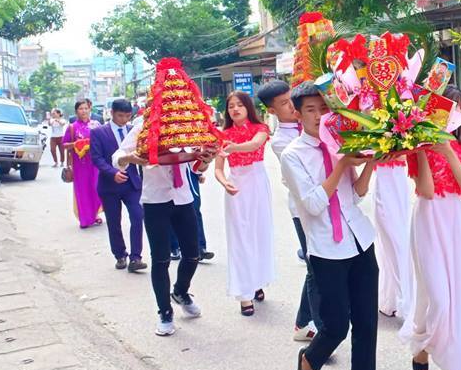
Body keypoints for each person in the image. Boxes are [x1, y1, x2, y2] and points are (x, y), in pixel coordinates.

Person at [281, 81, 395, 370]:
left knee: (366, 324)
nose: (318, 116)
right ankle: (309, 360)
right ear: (298, 115)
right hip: (327, 251)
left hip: (360, 241)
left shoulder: (341, 145)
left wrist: (371, 161)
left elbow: (357, 194)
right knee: (334, 328)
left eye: (323, 109)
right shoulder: (293, 155)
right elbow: (314, 206)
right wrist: (341, 165)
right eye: (311, 110)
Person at [400, 85, 461, 370]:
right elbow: (428, 191)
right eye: (445, 107)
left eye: (457, 108)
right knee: (437, 298)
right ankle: (422, 345)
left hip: (453, 222)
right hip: (428, 219)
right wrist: (421, 148)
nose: (450, 114)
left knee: (456, 296)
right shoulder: (416, 149)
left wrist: (448, 151)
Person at [113, 123, 214, 337]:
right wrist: (131, 159)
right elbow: (119, 155)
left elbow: (197, 166)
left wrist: (206, 159)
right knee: (160, 259)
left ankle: (180, 291)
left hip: (183, 198)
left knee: (193, 254)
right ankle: (165, 313)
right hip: (155, 200)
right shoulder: (144, 124)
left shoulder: (184, 120)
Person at [258, 79, 321, 341]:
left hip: (326, 202)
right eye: (284, 104)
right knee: (315, 266)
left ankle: (305, 322)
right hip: (303, 208)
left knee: (316, 266)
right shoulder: (282, 141)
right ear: (271, 111)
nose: (291, 107)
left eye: (290, 99)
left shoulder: (310, 122)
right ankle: (311, 324)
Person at [215, 91, 275, 317]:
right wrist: (224, 183)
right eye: (231, 106)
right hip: (236, 185)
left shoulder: (260, 129)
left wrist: (232, 147)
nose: (235, 109)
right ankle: (244, 295)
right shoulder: (223, 135)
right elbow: (219, 168)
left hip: (258, 184)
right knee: (239, 237)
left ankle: (256, 279)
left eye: (240, 105)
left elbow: (253, 145)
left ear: (248, 107)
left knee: (259, 234)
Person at [88, 98, 147, 272]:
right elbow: (97, 158)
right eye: (120, 116)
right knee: (114, 222)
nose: (124, 120)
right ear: (112, 113)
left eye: (128, 116)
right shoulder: (99, 132)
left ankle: (136, 257)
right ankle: (120, 254)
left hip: (132, 183)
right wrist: (113, 173)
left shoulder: (134, 131)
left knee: (138, 216)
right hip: (109, 185)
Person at [374, 149, 413, 321]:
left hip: (398, 180)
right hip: (383, 180)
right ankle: (391, 299)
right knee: (388, 240)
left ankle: (405, 300)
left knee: (399, 240)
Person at [62, 99, 103, 229]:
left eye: (86, 108)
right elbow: (64, 144)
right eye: (81, 109)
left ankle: (95, 214)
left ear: (89, 109)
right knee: (82, 190)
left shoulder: (96, 124)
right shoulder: (72, 127)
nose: (84, 111)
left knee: (96, 188)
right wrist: (77, 144)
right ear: (76, 111)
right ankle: (85, 219)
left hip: (95, 163)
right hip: (80, 164)